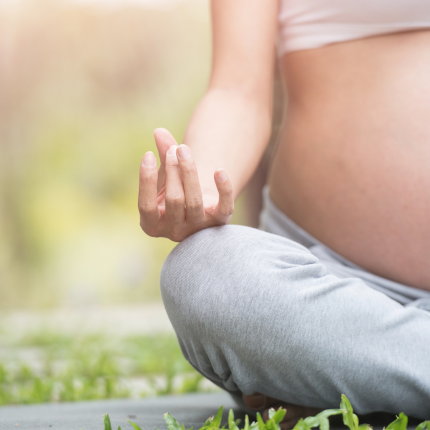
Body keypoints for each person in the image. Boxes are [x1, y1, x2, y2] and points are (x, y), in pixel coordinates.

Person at [138, 0, 430, 426]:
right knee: (201, 274)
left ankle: (362, 380)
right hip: (334, 282)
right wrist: (198, 187)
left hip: (352, 336)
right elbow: (237, 90)